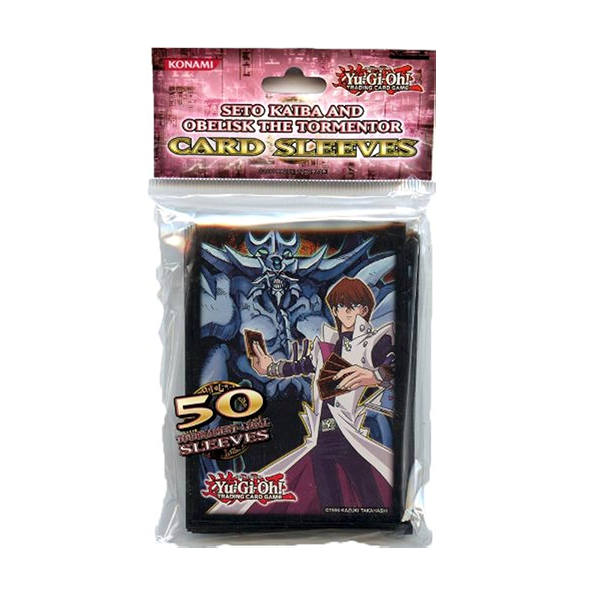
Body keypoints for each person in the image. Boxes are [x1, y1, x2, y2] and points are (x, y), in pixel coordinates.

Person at [209, 277, 395, 515]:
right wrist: (269, 368)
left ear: (364, 309)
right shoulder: (327, 345)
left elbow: (396, 364)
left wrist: (374, 375)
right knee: (327, 498)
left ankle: (381, 518)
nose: (346, 312)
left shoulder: (373, 343)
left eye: (353, 305)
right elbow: (298, 366)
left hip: (347, 432)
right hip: (322, 434)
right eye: (340, 306)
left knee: (369, 494)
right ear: (334, 310)